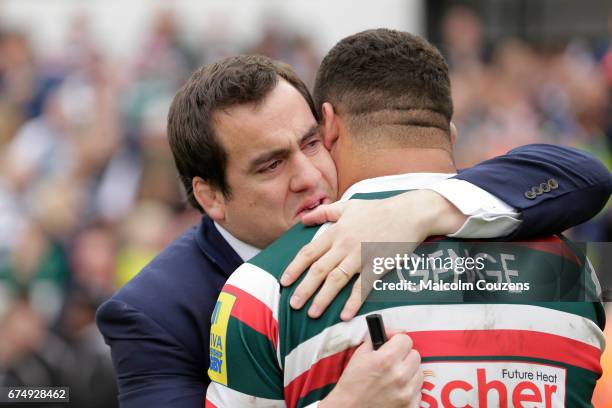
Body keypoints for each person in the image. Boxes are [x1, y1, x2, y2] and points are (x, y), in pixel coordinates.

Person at [97, 55, 612, 407]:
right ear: (210, 196)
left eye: (312, 144)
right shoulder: (153, 313)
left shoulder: (387, 216)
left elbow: (585, 178)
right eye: (270, 165)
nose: (309, 176)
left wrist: (423, 209)